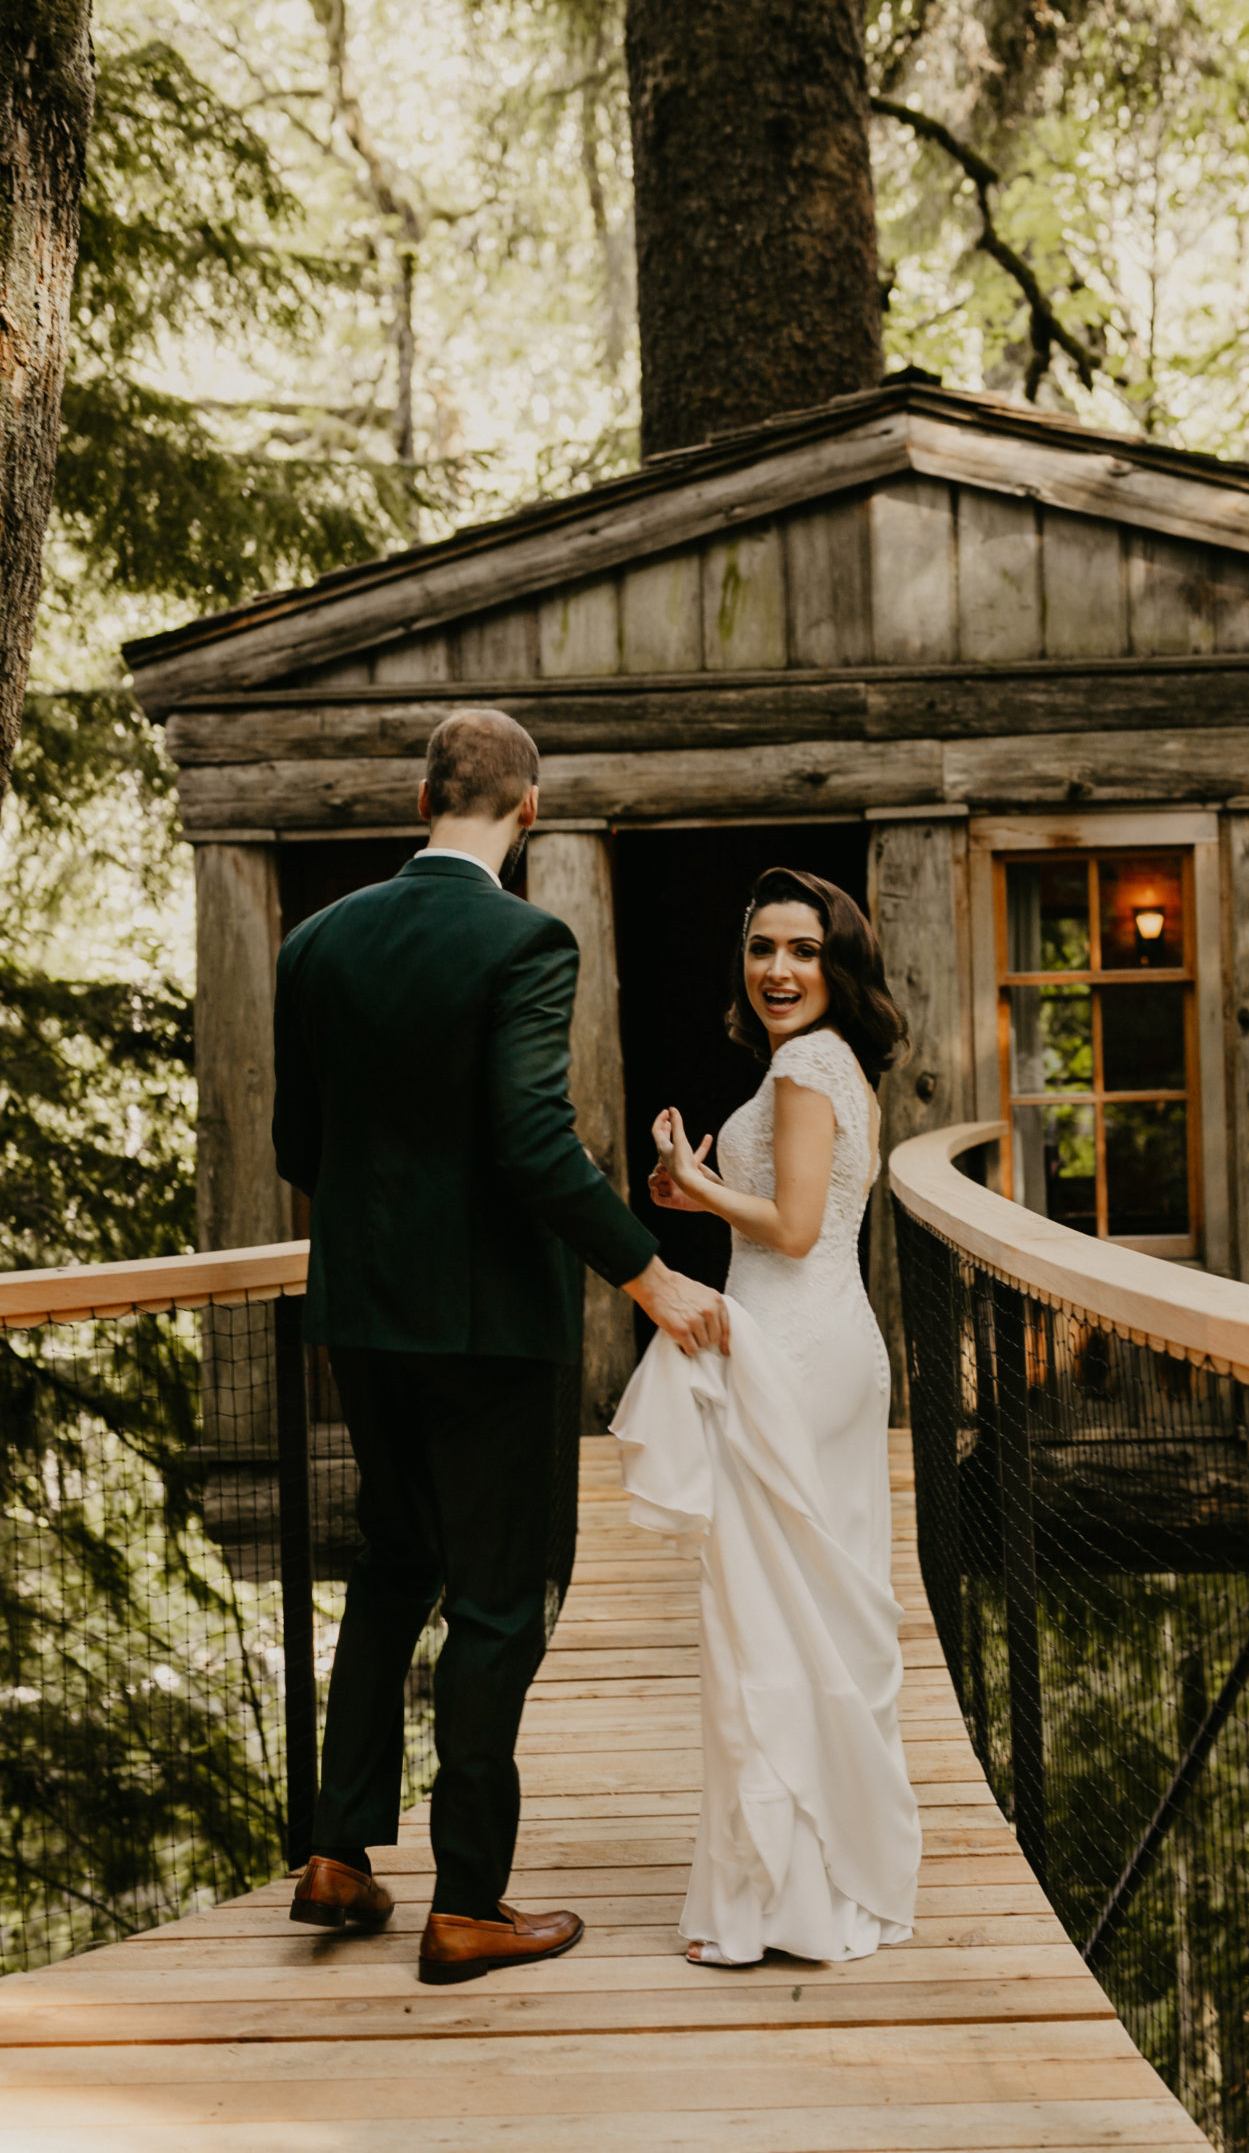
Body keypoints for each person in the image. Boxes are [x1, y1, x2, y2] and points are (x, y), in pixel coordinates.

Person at [272, 708, 728, 1986]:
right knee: (493, 1598)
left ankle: (340, 1853)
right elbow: (533, 1141)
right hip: (489, 1333)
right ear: (531, 812)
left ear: (422, 799)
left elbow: (295, 1150)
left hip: (360, 1315)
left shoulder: (316, 942)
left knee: (390, 1562)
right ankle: (468, 1900)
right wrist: (650, 1275)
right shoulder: (527, 938)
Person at [613, 867, 923, 1966]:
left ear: (837, 964)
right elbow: (794, 1215)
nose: (779, 969)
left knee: (762, 1612)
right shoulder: (831, 1065)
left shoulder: (804, 1062)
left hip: (791, 1347)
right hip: (832, 1343)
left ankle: (776, 1899)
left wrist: (692, 1189)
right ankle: (818, 1879)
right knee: (812, 1610)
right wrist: (691, 1179)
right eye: (761, 950)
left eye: (801, 949)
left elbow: (789, 1228)